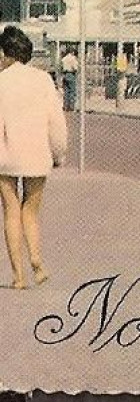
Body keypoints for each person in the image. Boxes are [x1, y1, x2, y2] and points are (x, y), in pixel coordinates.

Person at [0, 26, 68, 289]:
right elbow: (56, 122)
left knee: (10, 210)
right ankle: (37, 260)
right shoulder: (42, 80)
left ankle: (18, 276)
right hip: (36, 154)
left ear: (5, 53)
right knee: (31, 210)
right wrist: (58, 153)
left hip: (4, 156)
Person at [57, 49, 78, 114]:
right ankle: (71, 107)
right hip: (71, 74)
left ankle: (65, 106)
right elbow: (75, 68)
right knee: (72, 91)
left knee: (66, 91)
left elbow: (60, 67)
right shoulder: (73, 58)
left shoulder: (64, 59)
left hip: (65, 74)